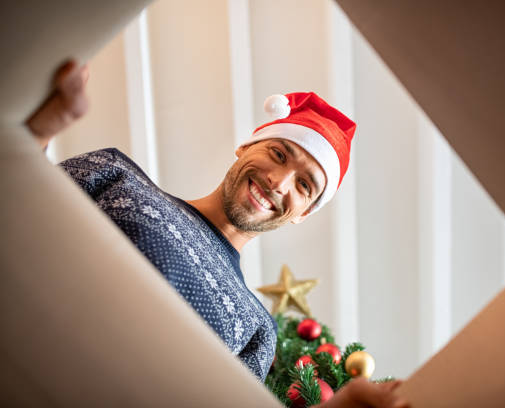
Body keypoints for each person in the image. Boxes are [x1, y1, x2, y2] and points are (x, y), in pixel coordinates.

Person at [27, 61, 410, 408]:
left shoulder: (257, 330)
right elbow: (21, 204)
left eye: (305, 185)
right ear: (244, 148)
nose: (279, 182)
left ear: (303, 214)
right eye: (278, 154)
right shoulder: (117, 174)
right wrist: (41, 131)